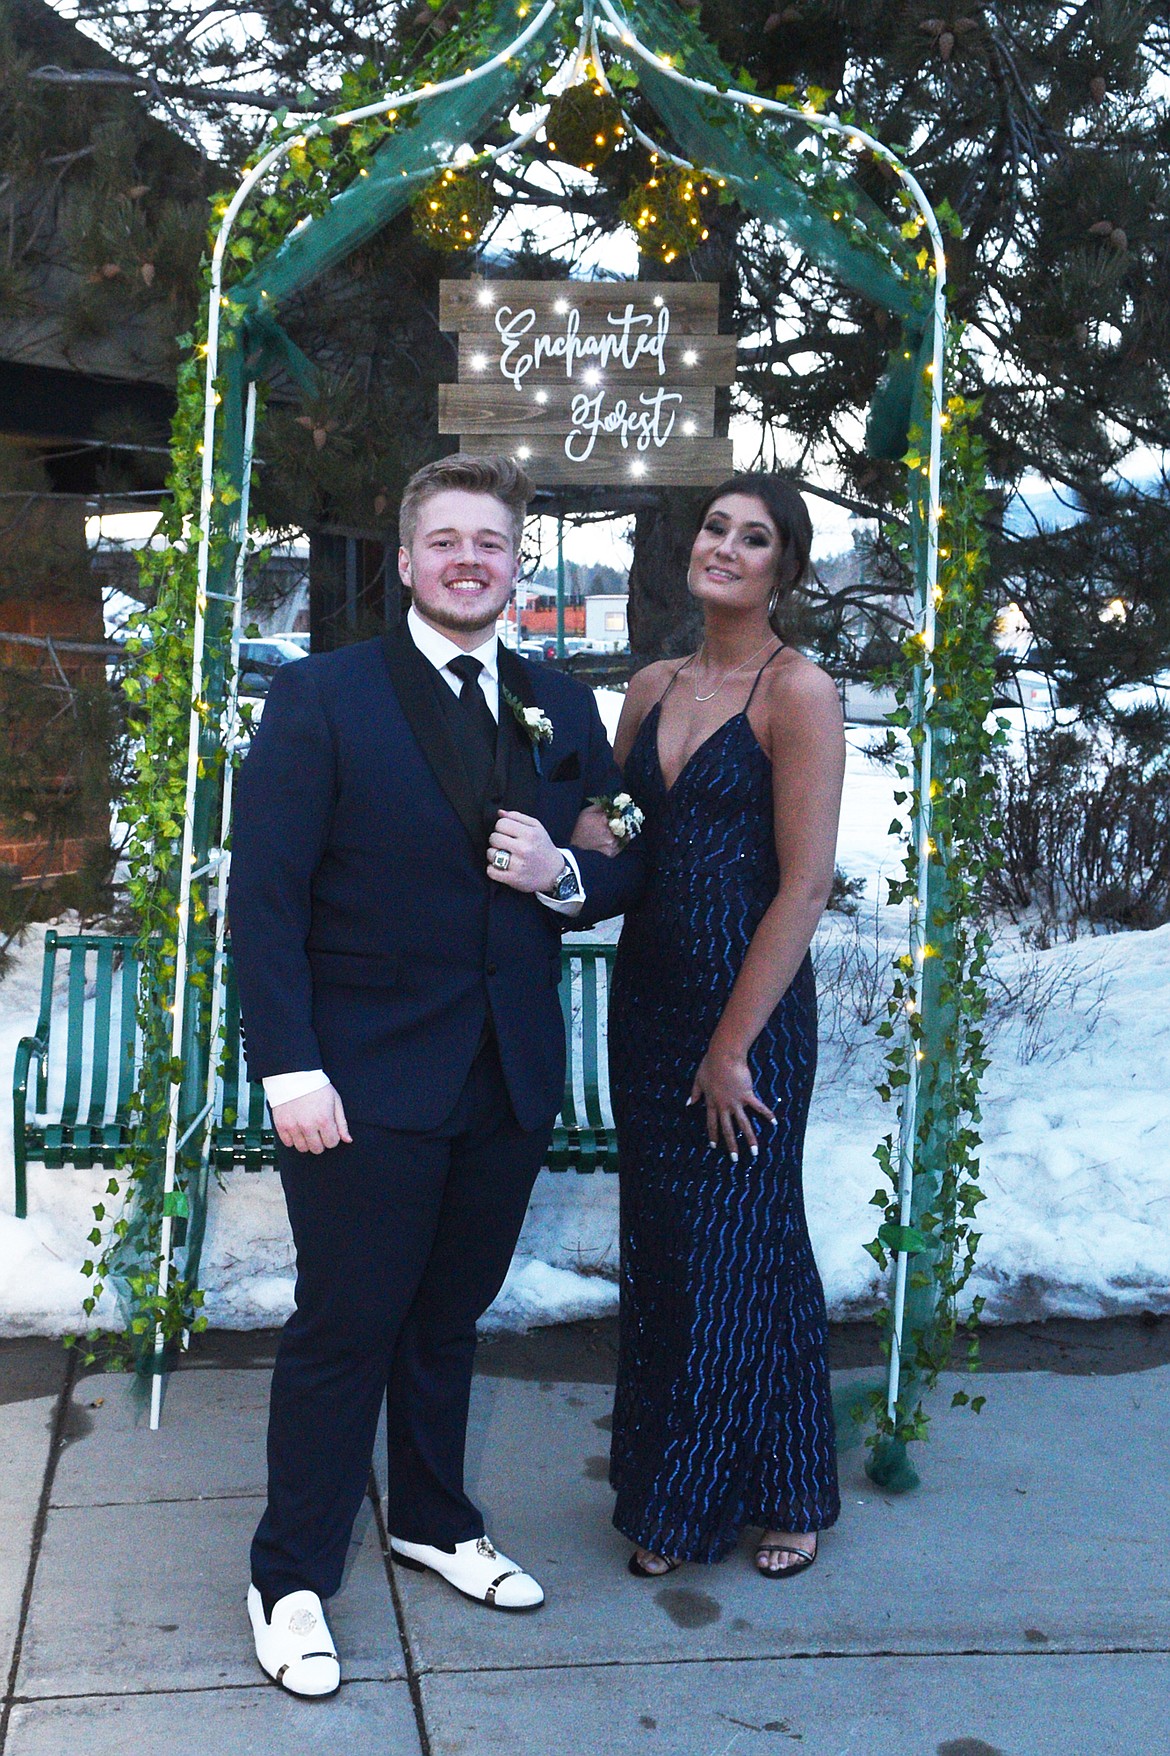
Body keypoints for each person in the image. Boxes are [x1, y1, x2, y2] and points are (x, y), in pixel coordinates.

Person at [228, 454, 643, 1697]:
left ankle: (434, 1518)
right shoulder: (322, 698)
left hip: (506, 1075)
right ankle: (290, 1574)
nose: (472, 559)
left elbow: (623, 845)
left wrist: (559, 878)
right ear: (407, 561)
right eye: (447, 540)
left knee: (447, 1320)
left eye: (493, 543)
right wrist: (290, 1066)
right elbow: (265, 897)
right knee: (345, 1327)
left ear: (518, 567)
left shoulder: (563, 705)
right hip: (359, 1080)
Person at [593, 473, 845, 1580]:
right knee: (676, 1250)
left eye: (754, 539)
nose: (726, 548)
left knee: (734, 1251)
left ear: (783, 570)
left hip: (751, 1019)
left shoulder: (800, 694)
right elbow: (619, 832)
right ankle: (791, 1482)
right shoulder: (650, 687)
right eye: (715, 528)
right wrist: (559, 835)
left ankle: (682, 1507)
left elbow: (804, 886)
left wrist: (734, 1044)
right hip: (646, 1008)